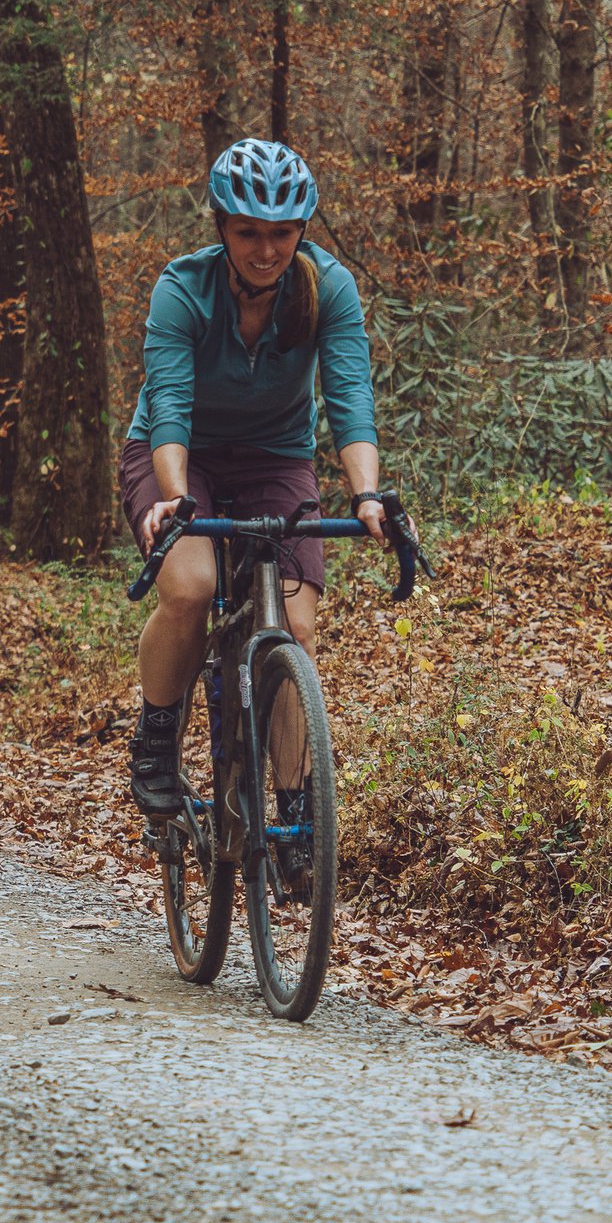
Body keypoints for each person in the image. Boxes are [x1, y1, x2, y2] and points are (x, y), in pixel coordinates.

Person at [120, 138, 384, 835]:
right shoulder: (183, 288)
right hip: (178, 455)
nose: (265, 250)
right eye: (247, 233)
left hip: (274, 458)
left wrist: (364, 495)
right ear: (221, 229)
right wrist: (173, 497)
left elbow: (350, 394)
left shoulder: (329, 288)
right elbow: (170, 405)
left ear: (301, 232)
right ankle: (155, 741)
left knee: (294, 625)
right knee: (192, 585)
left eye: (280, 234)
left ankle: (297, 805)